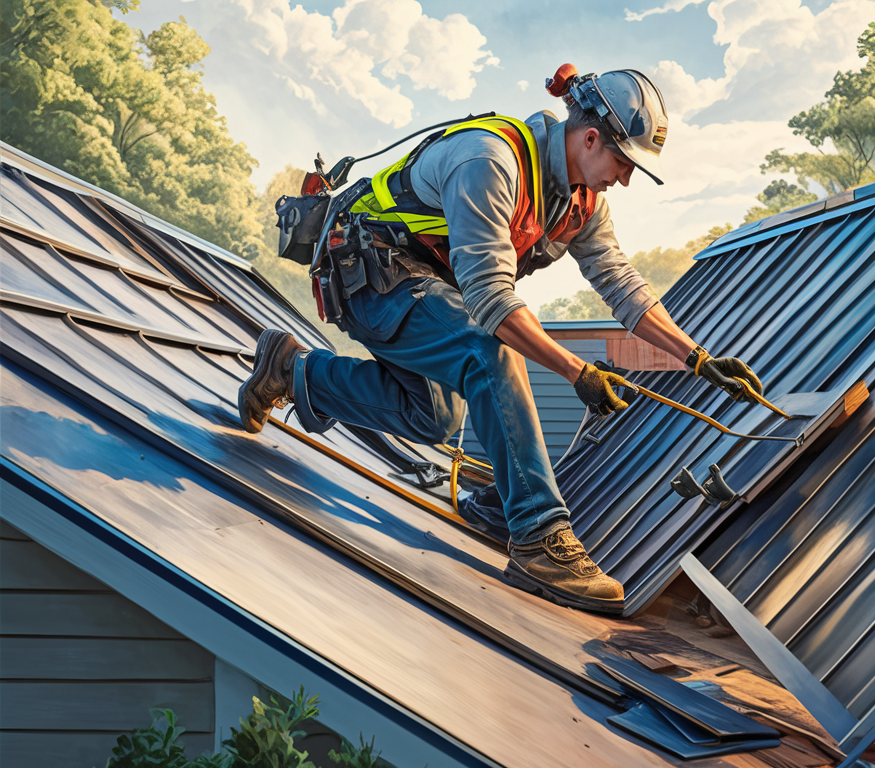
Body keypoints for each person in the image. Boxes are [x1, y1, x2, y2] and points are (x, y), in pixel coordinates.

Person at [238, 65, 763, 614]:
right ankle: (537, 533)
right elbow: (491, 302)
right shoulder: (489, 162)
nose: (625, 180)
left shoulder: (582, 201)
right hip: (370, 271)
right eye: (625, 163)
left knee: (434, 418)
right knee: (487, 352)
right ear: (590, 139)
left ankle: (292, 371)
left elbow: (621, 284)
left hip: (426, 283)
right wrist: (576, 372)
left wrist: (697, 359)